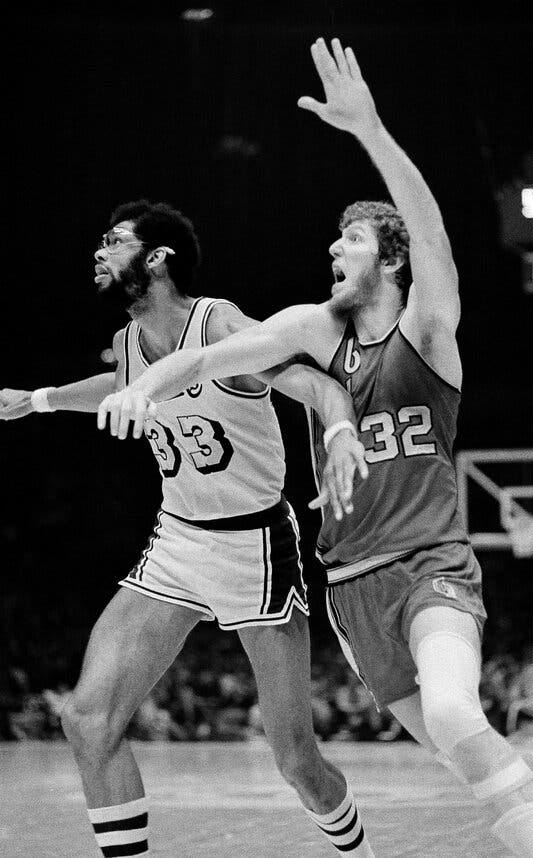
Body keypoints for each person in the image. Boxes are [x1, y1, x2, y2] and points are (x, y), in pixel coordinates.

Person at [99, 39, 533, 858]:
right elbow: (210, 356)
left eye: (351, 242)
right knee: (457, 754)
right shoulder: (310, 331)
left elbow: (431, 235)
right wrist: (142, 386)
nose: (334, 250)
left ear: (389, 260)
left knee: (454, 714)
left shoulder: (428, 334)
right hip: (350, 587)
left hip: (431, 563)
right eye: (335, 241)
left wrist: (369, 129)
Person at [0, 199, 376, 857]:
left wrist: (341, 428)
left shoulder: (218, 322)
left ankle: (358, 850)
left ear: (158, 258)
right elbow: (118, 380)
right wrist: (40, 400)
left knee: (295, 763)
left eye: (113, 241)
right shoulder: (127, 342)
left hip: (256, 547)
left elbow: (308, 382)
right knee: (87, 720)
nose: (97, 251)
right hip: (178, 540)